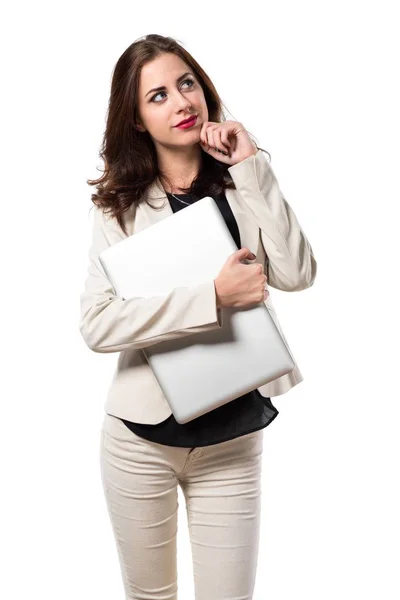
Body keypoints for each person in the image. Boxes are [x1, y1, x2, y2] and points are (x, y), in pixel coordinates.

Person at [79, 33, 317, 600]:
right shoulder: (121, 207)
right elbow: (97, 324)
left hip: (232, 439)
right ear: (136, 119)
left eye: (187, 84)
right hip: (140, 442)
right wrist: (212, 296)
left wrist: (252, 166)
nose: (181, 102)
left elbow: (298, 272)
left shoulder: (243, 183)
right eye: (157, 95)